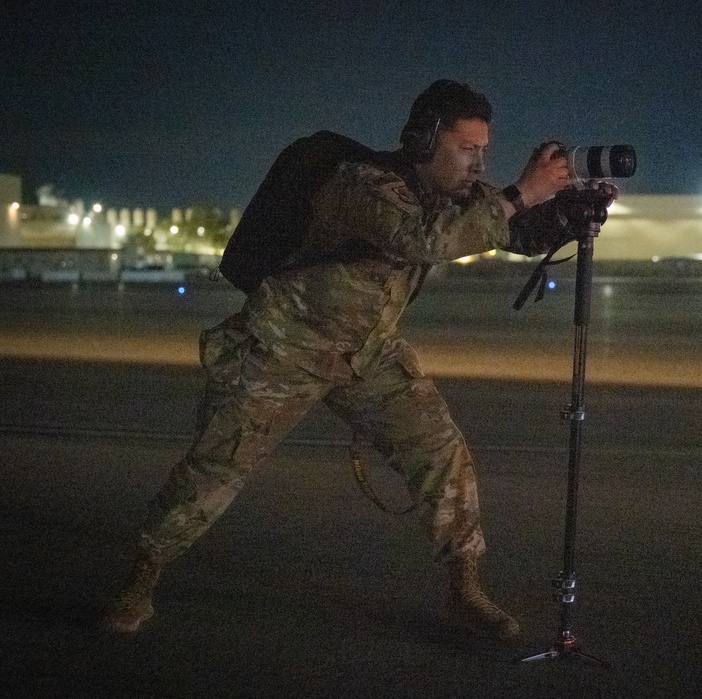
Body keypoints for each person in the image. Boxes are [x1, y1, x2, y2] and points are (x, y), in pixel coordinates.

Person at [102, 79, 572, 641]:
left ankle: (464, 587)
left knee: (442, 453)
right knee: (214, 468)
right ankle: (141, 579)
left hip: (366, 354)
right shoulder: (363, 184)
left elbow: (509, 229)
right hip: (284, 348)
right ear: (424, 141)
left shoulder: (451, 197)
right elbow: (424, 239)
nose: (478, 163)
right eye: (467, 149)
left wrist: (570, 208)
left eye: (485, 152)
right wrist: (520, 191)